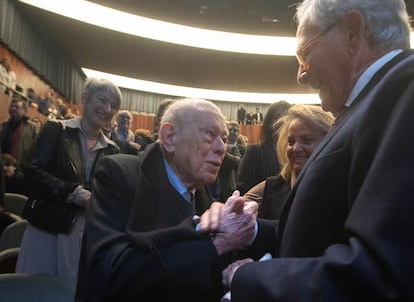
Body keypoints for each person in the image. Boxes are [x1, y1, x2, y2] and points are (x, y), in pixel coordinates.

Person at [201, 0, 414, 300]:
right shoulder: (373, 102)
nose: (301, 75)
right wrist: (252, 230)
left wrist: (246, 277)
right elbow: (327, 234)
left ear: (353, 32)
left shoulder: (403, 94)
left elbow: (382, 275)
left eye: (304, 55)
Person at [75, 98, 257, 301]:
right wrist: (217, 245)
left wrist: (229, 272)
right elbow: (111, 274)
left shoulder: (204, 194)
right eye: (210, 135)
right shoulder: (119, 174)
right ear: (170, 137)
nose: (222, 147)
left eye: (223, 138)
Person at [15, 78, 122, 295]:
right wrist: (72, 192)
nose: (107, 109)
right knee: (35, 290)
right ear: (85, 98)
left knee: (71, 291)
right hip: (48, 227)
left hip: (86, 233)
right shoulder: (57, 130)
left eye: (114, 106)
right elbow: (33, 172)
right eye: (102, 100)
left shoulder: (112, 150)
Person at [244, 104, 334, 219]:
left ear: (330, 141)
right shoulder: (271, 188)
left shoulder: (345, 187)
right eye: (291, 142)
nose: (295, 148)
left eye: (307, 140)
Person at [236, 101, 291, 195]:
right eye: (276, 117)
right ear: (268, 123)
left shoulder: (296, 152)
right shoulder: (254, 151)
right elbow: (244, 189)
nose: (281, 121)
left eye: (286, 117)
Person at [0, 98, 37, 169]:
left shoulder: (32, 128)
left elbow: (35, 149)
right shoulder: (4, 124)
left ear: (24, 111)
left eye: (17, 107)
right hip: (3, 164)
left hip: (21, 167)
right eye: (11, 106)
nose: (13, 108)